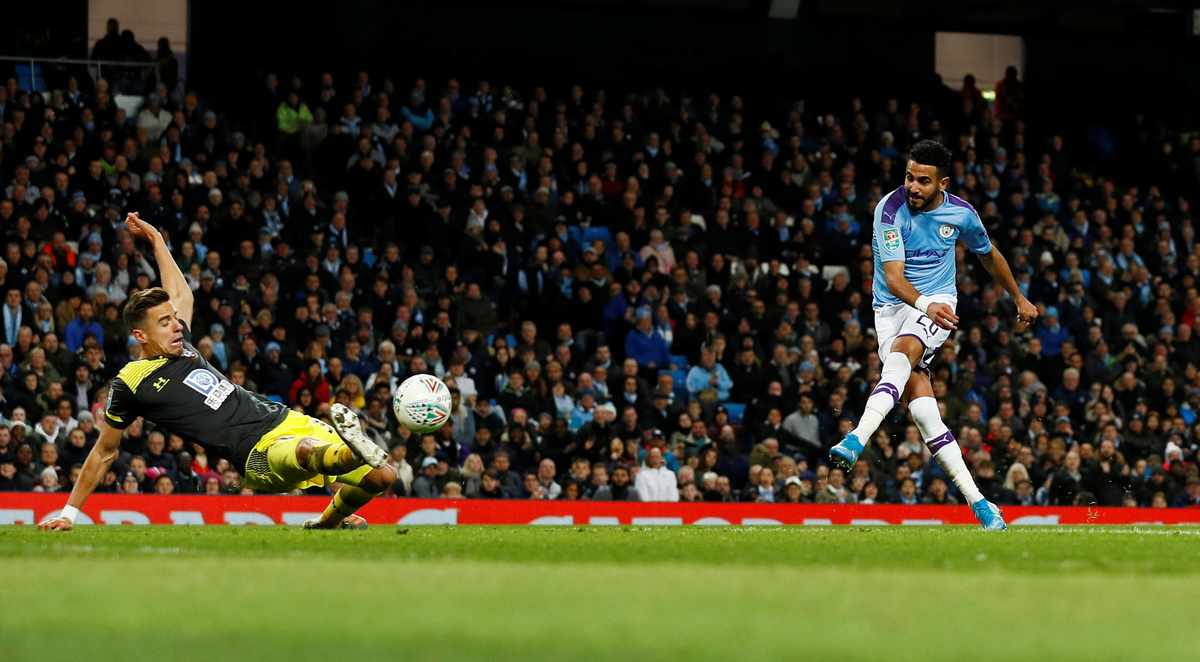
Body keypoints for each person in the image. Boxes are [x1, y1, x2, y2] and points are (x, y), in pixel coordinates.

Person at [38, 214, 396, 531]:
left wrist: (157, 240)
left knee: (383, 476)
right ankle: (352, 450)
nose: (176, 325)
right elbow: (104, 451)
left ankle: (328, 520)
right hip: (256, 452)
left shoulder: (182, 344)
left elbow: (183, 295)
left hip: (285, 419)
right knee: (305, 451)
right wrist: (68, 513)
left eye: (174, 318)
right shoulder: (131, 382)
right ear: (140, 336)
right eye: (164, 322)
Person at [829, 140, 1037, 531]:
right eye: (909, 177)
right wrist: (924, 305)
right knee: (924, 412)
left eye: (923, 181)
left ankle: (856, 438)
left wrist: (1018, 297)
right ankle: (982, 504)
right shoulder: (889, 211)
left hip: (939, 301)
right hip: (891, 308)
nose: (913, 186)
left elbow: (988, 253)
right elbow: (893, 279)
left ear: (942, 183)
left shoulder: (961, 213)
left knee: (904, 352)